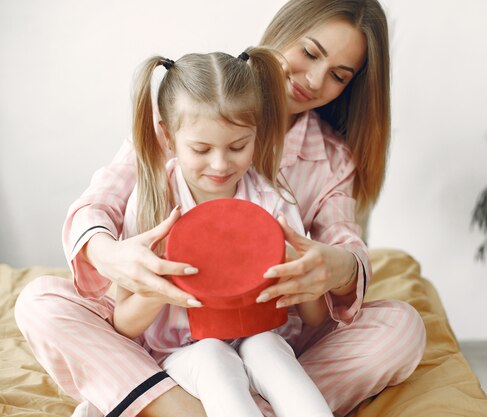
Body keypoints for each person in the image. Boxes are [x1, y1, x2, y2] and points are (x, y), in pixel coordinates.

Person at [15, 1, 426, 416]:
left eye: (339, 75)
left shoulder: (307, 176)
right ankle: (182, 406)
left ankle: (150, 398)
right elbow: (99, 204)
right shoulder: (187, 109)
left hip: (271, 338)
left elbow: (341, 250)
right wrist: (112, 254)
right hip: (173, 346)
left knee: (401, 328)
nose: (316, 79)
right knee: (39, 302)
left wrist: (333, 269)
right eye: (310, 52)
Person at [113, 49, 332, 417]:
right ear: (168, 136)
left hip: (263, 336)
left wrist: (300, 269)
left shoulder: (271, 200)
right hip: (182, 351)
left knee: (269, 352)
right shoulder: (153, 202)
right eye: (201, 149)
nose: (220, 163)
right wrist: (160, 285)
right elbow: (123, 323)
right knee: (212, 357)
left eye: (237, 146)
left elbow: (313, 318)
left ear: (257, 134)